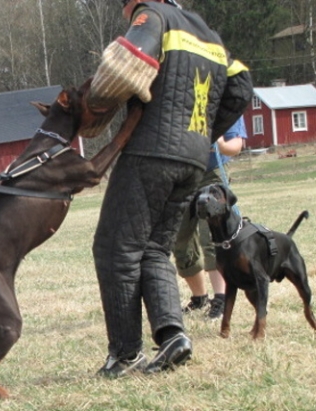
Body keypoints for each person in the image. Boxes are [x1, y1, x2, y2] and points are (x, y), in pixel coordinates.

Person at [79, 0, 253, 377]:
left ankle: (125, 356)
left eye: (124, 7)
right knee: (156, 248)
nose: (125, 13)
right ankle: (173, 336)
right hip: (193, 159)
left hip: (151, 152)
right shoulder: (208, 33)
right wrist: (205, 129)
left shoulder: (151, 15)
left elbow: (120, 64)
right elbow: (241, 86)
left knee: (116, 248)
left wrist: (89, 110)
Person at [174, 116, 248, 320]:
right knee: (180, 239)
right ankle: (199, 298)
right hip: (183, 174)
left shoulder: (224, 101)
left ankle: (221, 299)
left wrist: (221, 144)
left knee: (212, 237)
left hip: (212, 174)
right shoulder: (181, 98)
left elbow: (237, 145)